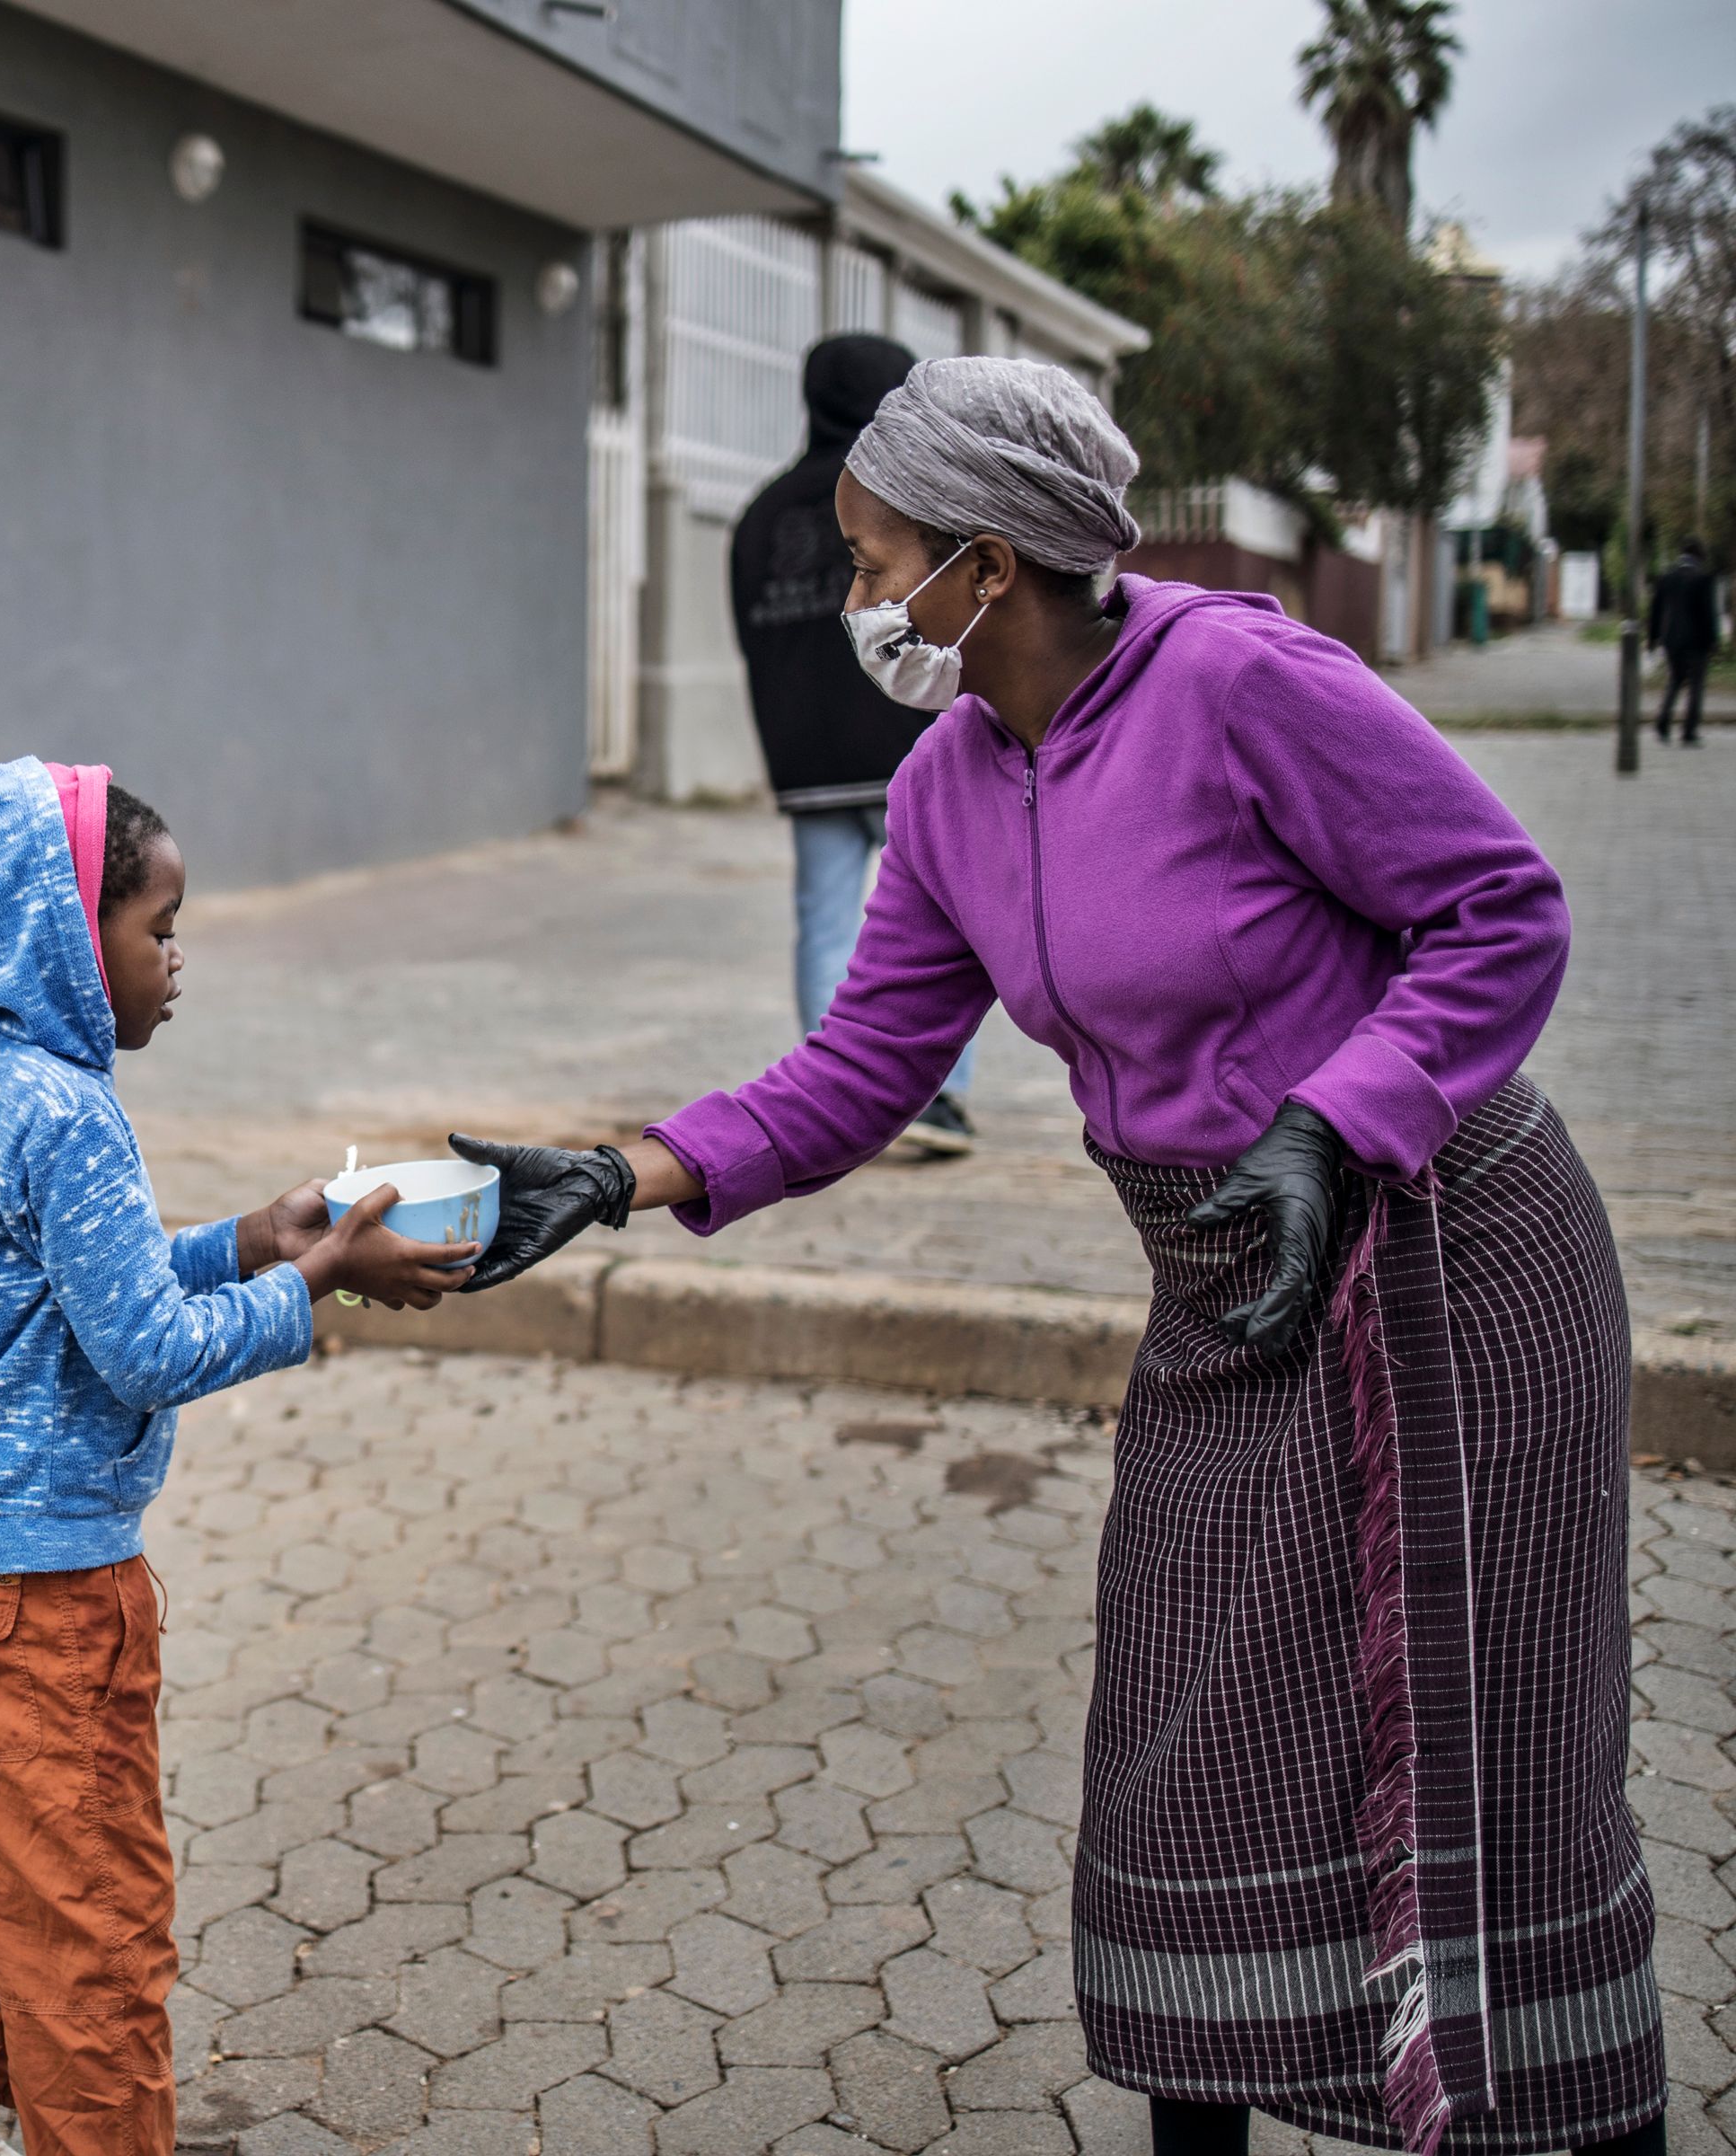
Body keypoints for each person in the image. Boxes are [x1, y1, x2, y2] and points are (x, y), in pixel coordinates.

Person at [454, 358, 1661, 2156]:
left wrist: (1339, 1118)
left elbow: (1504, 908)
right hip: (1220, 1292)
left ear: (991, 566)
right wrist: (622, 1173)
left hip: (1440, 1264)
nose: (863, 601)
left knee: (1484, 1784)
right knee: (1180, 1769)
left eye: (877, 564)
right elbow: (861, 1065)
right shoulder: (951, 780)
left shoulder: (1248, 684)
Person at [0, 758, 472, 2156]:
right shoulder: (68, 1111)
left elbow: (102, 1285)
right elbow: (144, 1351)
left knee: (24, 1862)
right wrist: (320, 1282)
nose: (178, 960)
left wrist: (256, 1239)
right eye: (159, 925)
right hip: (40, 1594)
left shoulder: (8, 1076)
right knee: (97, 1928)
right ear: (67, 937)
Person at [731, 333, 983, 1156]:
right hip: (904, 744)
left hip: (806, 758)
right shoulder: (900, 503)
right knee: (947, 919)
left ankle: (831, 1103)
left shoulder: (762, 514)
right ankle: (938, 1097)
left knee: (825, 924)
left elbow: (750, 635)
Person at [1648, 538, 1717, 746]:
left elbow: (1656, 610)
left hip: (1671, 641)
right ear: (1699, 556)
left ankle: (1663, 723)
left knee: (1675, 681)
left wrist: (1653, 638)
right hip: (1697, 641)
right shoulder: (1703, 578)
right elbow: (1708, 613)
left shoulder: (1667, 577)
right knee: (1696, 685)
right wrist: (1713, 641)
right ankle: (1689, 730)